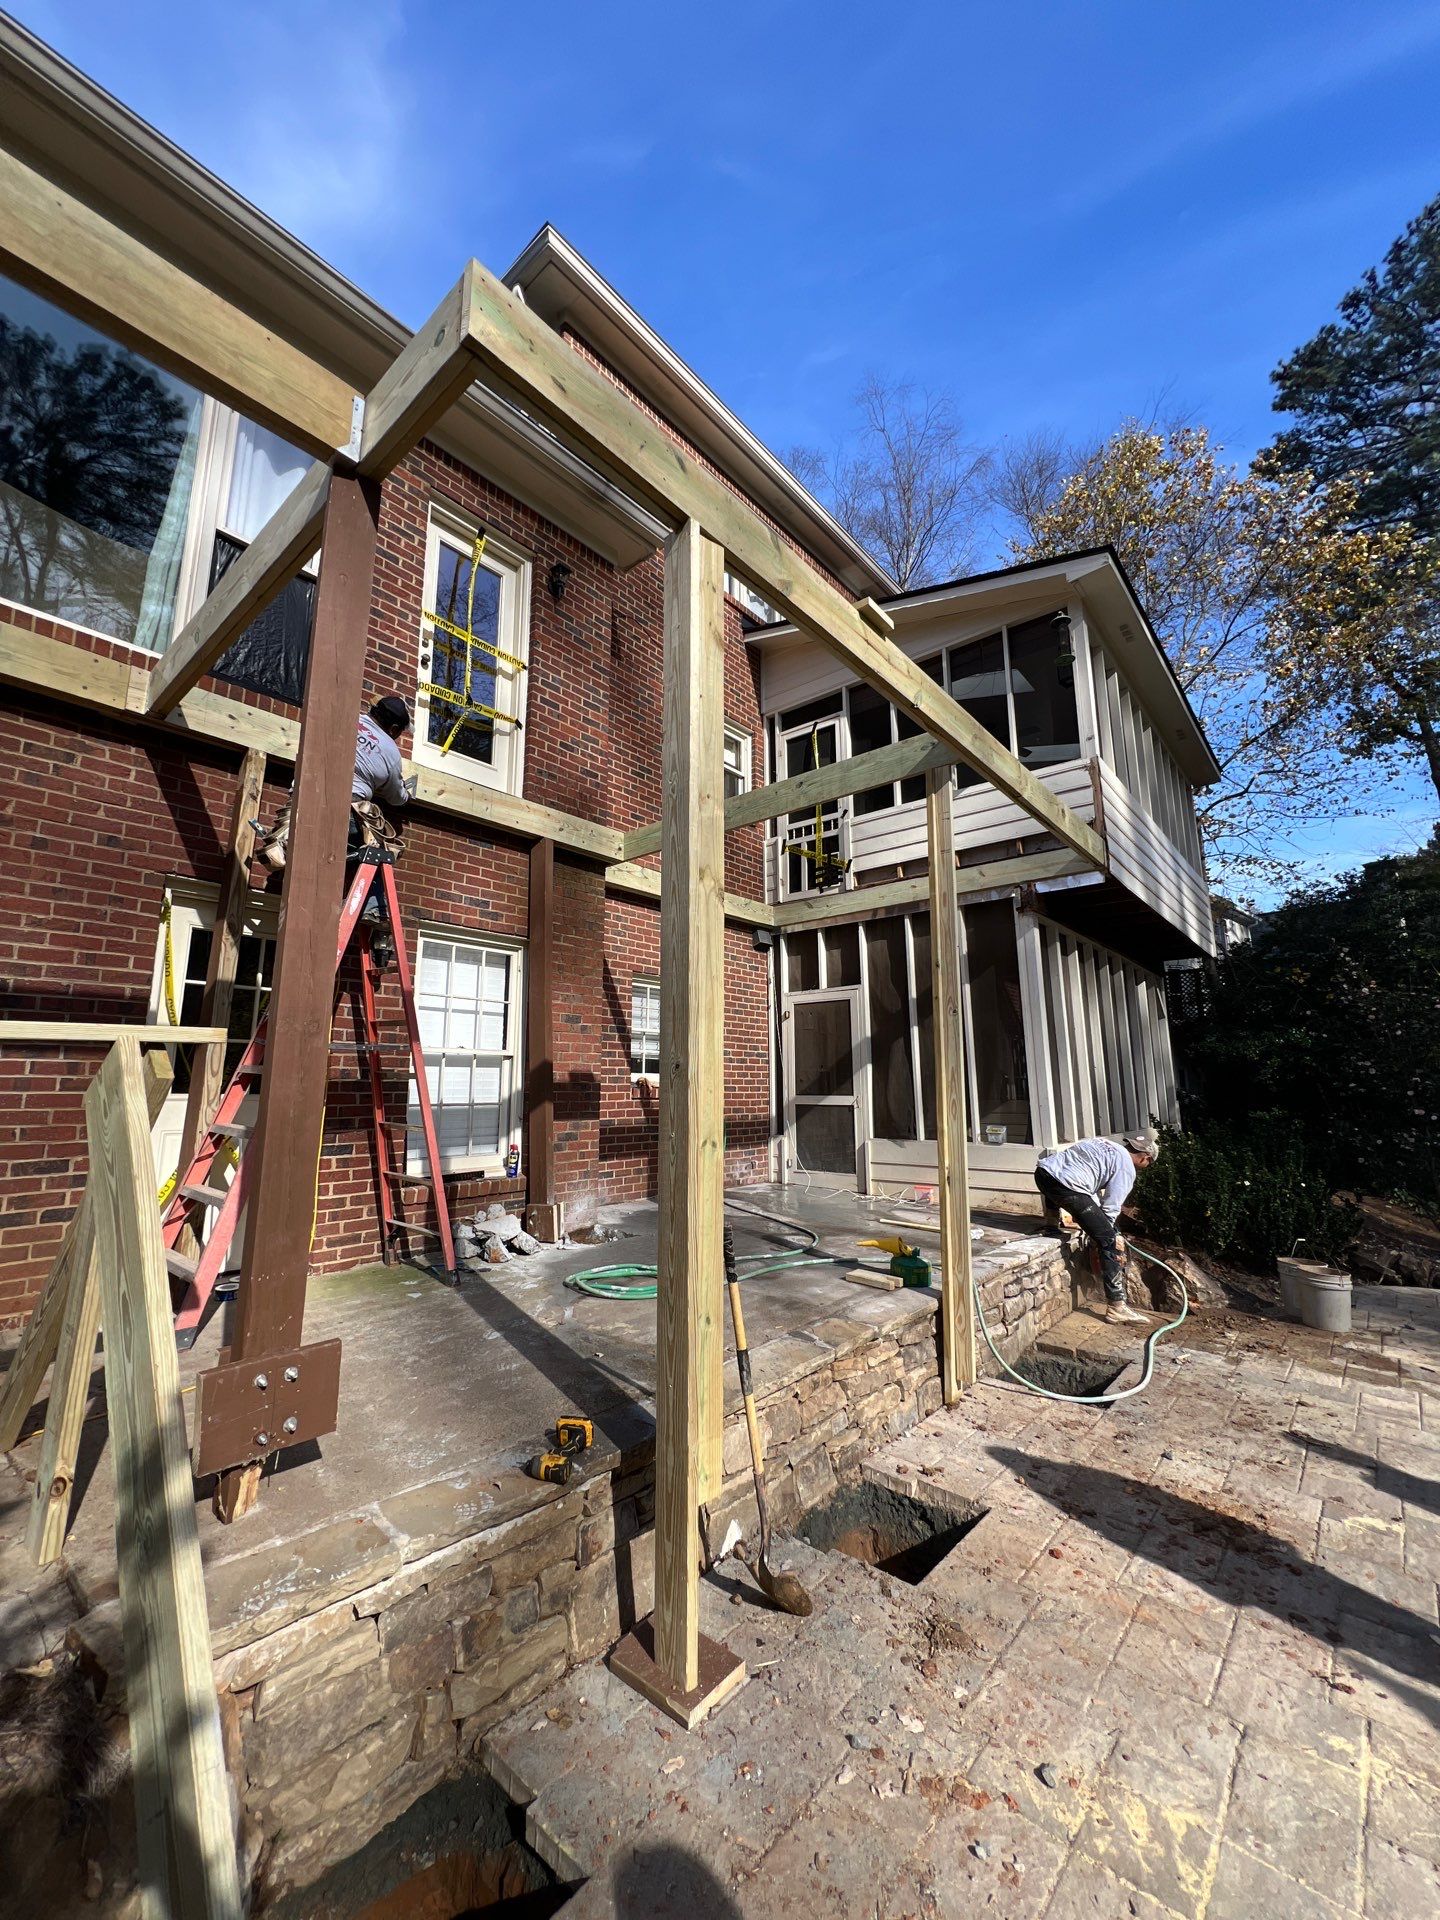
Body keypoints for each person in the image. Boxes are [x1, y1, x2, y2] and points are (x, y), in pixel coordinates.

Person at [1034, 1132, 1155, 1323]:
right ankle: (1117, 1306)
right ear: (1145, 1157)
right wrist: (1104, 1232)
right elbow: (1111, 1207)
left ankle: (1051, 1225)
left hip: (1043, 1175)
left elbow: (1089, 1181)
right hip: (1067, 1187)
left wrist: (1093, 1220)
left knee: (1058, 1178)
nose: (1145, 1168)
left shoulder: (1103, 1144)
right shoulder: (1126, 1167)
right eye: (1148, 1164)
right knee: (1110, 1240)